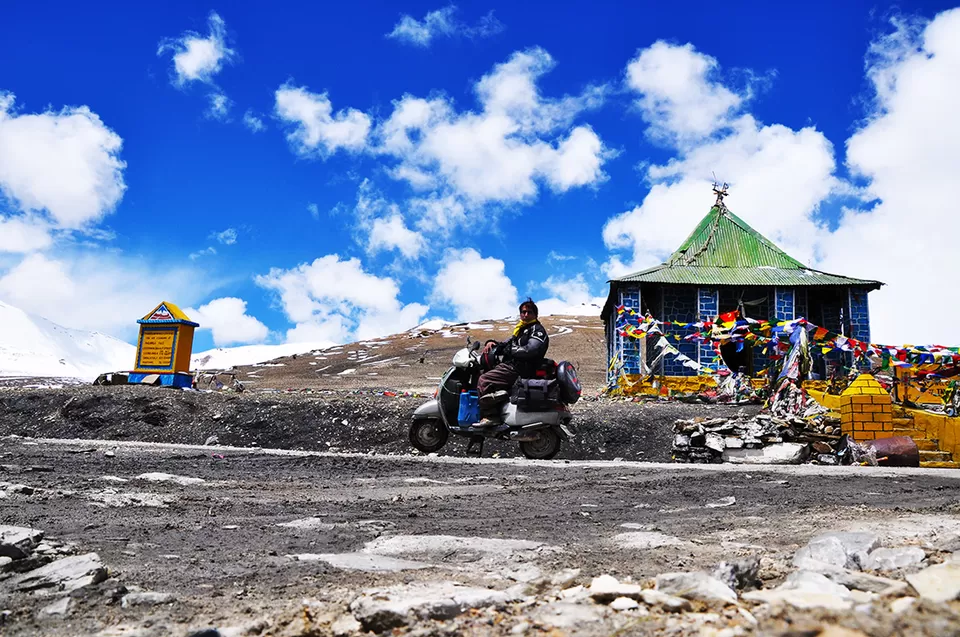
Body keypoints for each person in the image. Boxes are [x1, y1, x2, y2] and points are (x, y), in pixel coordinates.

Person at [475, 299, 549, 425]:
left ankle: (491, 416)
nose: (525, 315)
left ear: (535, 315)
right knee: (480, 371)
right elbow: (506, 344)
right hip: (513, 365)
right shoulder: (521, 330)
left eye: (529, 312)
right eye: (523, 312)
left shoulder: (537, 330)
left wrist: (512, 350)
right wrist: (491, 343)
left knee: (484, 380)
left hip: (520, 368)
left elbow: (531, 350)